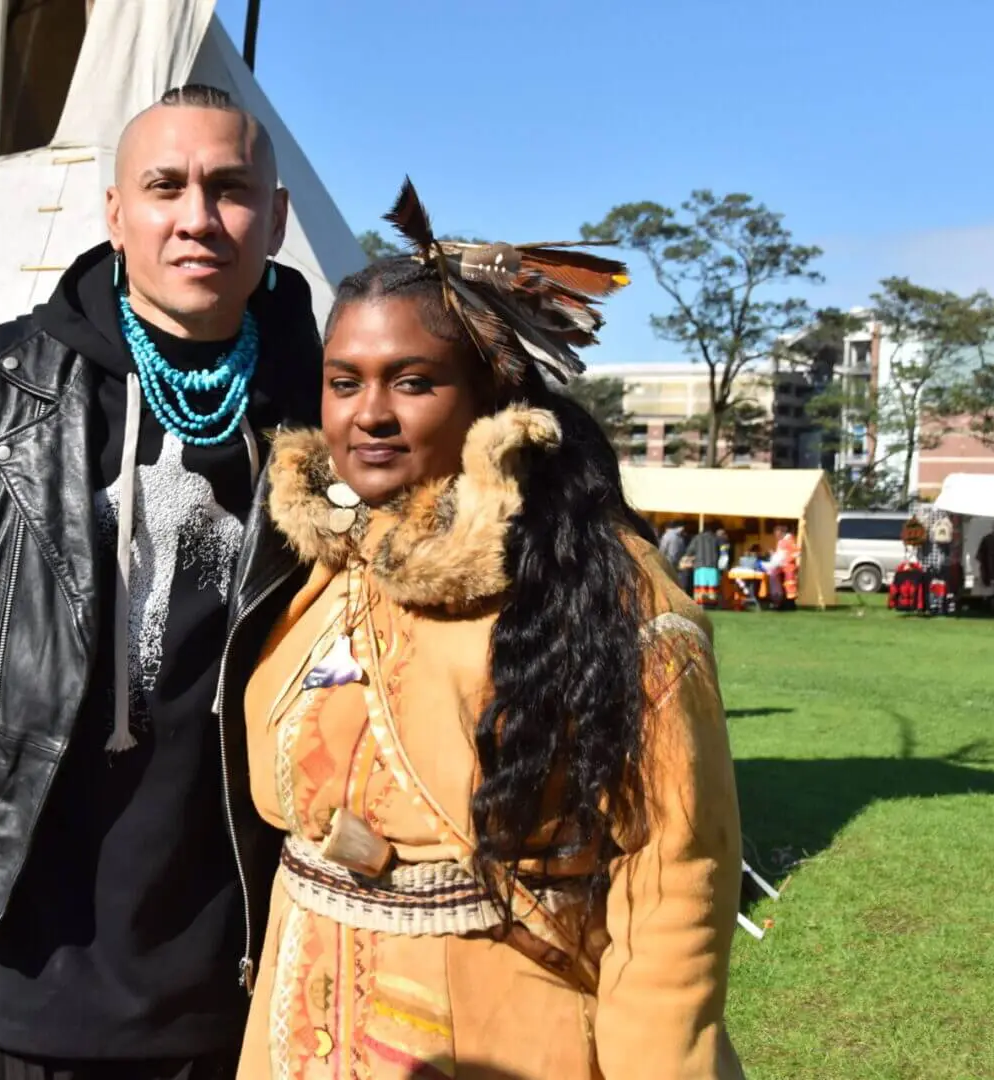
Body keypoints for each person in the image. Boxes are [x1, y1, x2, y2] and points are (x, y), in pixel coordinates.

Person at [0, 85, 324, 1080]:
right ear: (115, 211)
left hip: (231, 986)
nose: (198, 216)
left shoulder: (328, 419)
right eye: (165, 186)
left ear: (276, 216)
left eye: (232, 189)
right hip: (5, 982)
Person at [236, 190, 744, 1078]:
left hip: (505, 1032)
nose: (371, 414)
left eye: (414, 380)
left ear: (491, 395)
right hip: (303, 1023)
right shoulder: (321, 565)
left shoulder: (610, 597)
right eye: (345, 381)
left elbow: (673, 888)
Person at [765, 523, 800, 610]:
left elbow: (796, 553)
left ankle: (789, 605)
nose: (775, 535)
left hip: (788, 568)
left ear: (782, 532)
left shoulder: (789, 540)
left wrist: (787, 560)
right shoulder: (781, 541)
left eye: (777, 532)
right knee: (782, 585)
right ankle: (780, 602)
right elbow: (779, 554)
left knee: (789, 587)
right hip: (781, 567)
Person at [690, 524, 723, 609]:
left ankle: (701, 603)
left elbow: (690, 550)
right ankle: (712, 603)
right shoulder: (716, 538)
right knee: (712, 586)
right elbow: (720, 552)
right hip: (713, 566)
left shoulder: (697, 538)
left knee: (701, 586)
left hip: (700, 566)